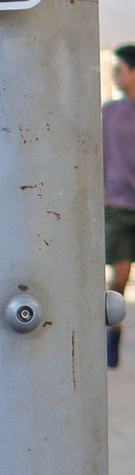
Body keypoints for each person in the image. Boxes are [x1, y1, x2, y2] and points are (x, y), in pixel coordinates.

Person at [106, 43, 135, 367]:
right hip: (118, 205)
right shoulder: (109, 112)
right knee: (120, 276)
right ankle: (113, 332)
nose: (115, 76)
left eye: (119, 70)